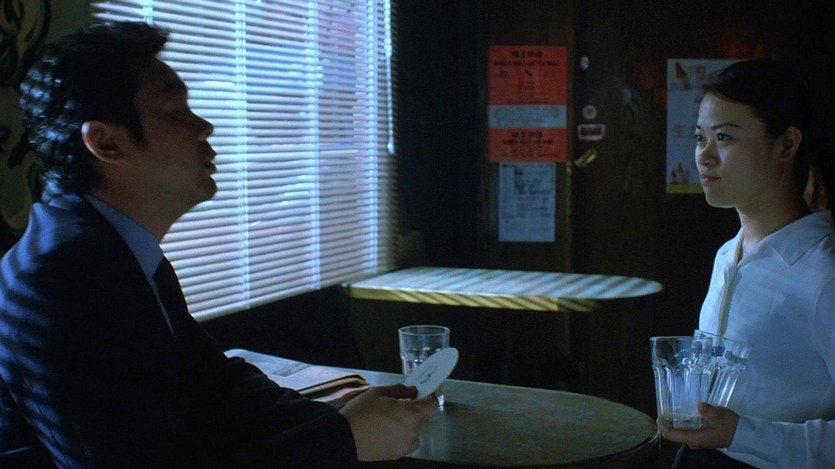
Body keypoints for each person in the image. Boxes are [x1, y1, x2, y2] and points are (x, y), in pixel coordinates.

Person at [0, 21, 437, 468]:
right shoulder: (63, 277)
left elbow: (213, 384)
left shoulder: (113, 250)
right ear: (106, 142)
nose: (205, 126)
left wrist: (340, 419)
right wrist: (343, 441)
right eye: (176, 110)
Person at [659, 58, 835, 468]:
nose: (704, 156)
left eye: (724, 137)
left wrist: (742, 433)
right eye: (700, 137)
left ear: (786, 145)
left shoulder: (822, 272)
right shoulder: (728, 255)